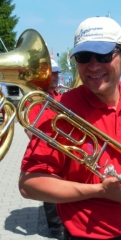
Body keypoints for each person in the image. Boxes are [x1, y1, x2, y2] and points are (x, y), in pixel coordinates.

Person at [19, 16, 121, 240]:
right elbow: (29, 184)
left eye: (104, 55)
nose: (93, 65)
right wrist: (100, 191)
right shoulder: (58, 111)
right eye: (84, 57)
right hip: (89, 234)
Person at [24, 59, 64, 240]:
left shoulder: (59, 96)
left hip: (63, 150)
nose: (55, 76)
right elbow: (30, 129)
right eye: (52, 73)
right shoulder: (35, 99)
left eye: (57, 73)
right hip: (47, 151)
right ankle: (57, 230)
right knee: (50, 191)